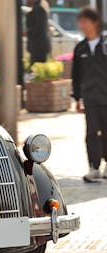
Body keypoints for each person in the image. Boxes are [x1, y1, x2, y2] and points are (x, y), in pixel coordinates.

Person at [72, 7, 107, 182]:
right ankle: (94, 168)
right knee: (92, 133)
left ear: (95, 23)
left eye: (85, 21)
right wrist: (77, 98)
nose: (81, 25)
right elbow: (76, 75)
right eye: (80, 22)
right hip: (90, 98)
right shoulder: (80, 48)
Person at [26, 0, 51, 64]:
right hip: (38, 46)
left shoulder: (39, 9)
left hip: (38, 46)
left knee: (36, 68)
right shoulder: (37, 8)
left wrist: (27, 32)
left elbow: (39, 27)